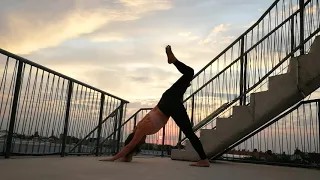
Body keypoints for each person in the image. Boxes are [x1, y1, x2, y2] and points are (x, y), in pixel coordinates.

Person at [100, 45, 210, 167]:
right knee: (189, 73)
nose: (143, 141)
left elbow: (130, 146)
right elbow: (131, 145)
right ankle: (203, 159)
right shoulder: (140, 127)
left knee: (189, 132)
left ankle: (173, 61)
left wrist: (113, 158)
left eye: (140, 143)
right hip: (168, 101)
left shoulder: (140, 131)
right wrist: (182, 87)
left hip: (168, 103)